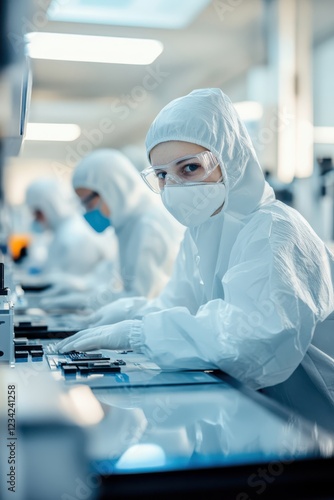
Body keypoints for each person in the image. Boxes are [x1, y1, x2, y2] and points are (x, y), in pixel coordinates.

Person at [57, 88, 334, 432]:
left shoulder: (274, 229)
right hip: (265, 411)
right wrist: (129, 314)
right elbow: (180, 304)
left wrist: (138, 334)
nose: (173, 186)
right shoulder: (202, 231)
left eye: (189, 168)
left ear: (230, 158)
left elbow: (252, 341)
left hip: (317, 420)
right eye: (162, 175)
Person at [41, 148, 184, 312]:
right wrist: (85, 295)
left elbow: (144, 299)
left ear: (113, 188)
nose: (86, 211)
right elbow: (119, 285)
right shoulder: (127, 226)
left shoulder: (149, 225)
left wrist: (90, 305)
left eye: (88, 203)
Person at [24, 177, 115, 284]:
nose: (36, 219)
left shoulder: (73, 235)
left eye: (38, 213)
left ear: (50, 206)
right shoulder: (61, 232)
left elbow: (74, 284)